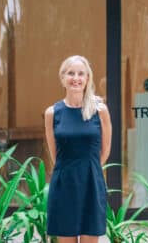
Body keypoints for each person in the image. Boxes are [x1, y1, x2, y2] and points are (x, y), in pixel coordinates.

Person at [45, 55, 112, 243]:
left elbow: (105, 151)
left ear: (87, 79)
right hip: (64, 185)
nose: (76, 78)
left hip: (91, 183)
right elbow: (55, 154)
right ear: (62, 78)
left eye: (81, 74)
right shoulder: (52, 113)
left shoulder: (100, 110)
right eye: (71, 73)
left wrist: (89, 169)